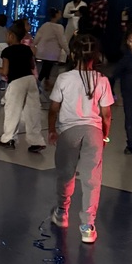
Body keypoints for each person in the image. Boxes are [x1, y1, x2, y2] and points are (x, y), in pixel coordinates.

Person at [48, 34, 113, 244]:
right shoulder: (102, 80)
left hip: (69, 132)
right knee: (92, 180)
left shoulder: (64, 78)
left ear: (73, 53)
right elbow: (106, 114)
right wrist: (104, 134)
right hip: (93, 132)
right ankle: (88, 226)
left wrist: (51, 129)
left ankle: (62, 212)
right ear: (96, 55)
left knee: (66, 174)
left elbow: (53, 108)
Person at [0, 21, 45, 152]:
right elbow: (32, 66)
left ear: (11, 36)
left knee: (13, 110)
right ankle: (37, 141)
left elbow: (5, 72)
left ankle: (8, 139)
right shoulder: (27, 49)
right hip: (30, 80)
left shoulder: (7, 51)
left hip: (16, 82)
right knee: (32, 111)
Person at [34, 8, 69, 93]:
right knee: (46, 69)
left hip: (42, 51)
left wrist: (34, 45)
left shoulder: (45, 25)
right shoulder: (59, 27)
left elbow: (37, 37)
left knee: (46, 68)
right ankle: (37, 84)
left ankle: (46, 82)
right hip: (52, 53)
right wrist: (68, 51)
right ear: (56, 15)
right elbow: (62, 40)